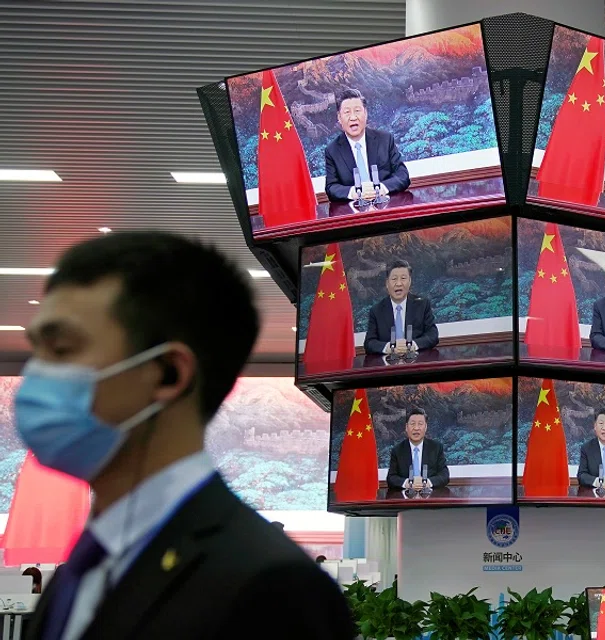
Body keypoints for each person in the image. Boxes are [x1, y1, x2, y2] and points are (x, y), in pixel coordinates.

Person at [18, 231, 352, 640]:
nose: (34, 376)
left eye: (63, 349)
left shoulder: (269, 585)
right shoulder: (88, 562)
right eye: (36, 351)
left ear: (168, 374)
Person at [324, 88, 410, 202]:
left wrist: (380, 188)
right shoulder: (332, 150)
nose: (353, 117)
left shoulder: (385, 139)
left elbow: (402, 175)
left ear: (365, 113)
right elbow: (331, 187)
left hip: (387, 208)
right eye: (347, 112)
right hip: (355, 214)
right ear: (339, 118)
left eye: (357, 111)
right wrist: (354, 192)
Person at [363, 259, 439, 355]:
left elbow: (433, 335)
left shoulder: (422, 305)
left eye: (403, 278)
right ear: (387, 283)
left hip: (417, 363)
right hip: (388, 365)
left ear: (410, 281)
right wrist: (389, 347)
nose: (398, 283)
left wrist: (413, 345)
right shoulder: (376, 310)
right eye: (394, 279)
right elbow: (369, 343)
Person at [385, 409, 450, 490]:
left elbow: (444, 475)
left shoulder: (436, 448)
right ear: (406, 427)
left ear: (426, 427)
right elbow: (391, 478)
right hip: (406, 498)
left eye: (420, 424)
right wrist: (407, 483)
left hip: (430, 498)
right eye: (412, 424)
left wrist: (427, 483)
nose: (416, 428)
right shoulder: (398, 450)